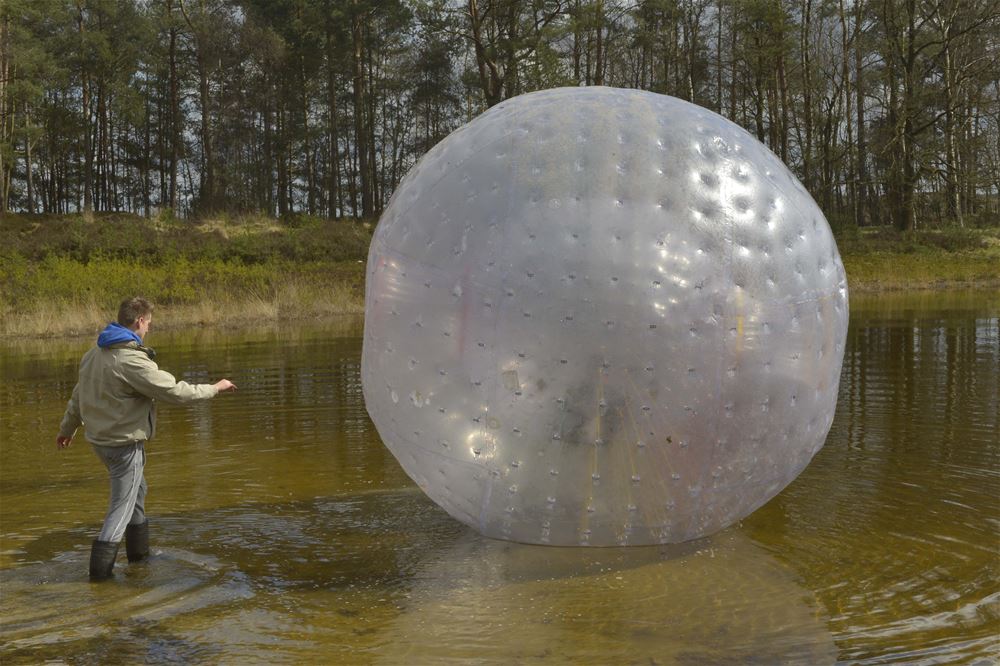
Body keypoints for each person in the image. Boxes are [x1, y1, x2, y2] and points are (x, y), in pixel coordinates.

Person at [56, 297, 237, 580]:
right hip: (124, 446)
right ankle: (99, 582)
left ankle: (139, 560)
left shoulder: (93, 354)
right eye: (149, 323)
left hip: (101, 442)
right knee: (121, 507)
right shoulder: (131, 360)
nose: (149, 328)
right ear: (140, 321)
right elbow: (174, 392)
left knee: (137, 493)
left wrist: (67, 429)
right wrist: (215, 388)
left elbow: (78, 397)